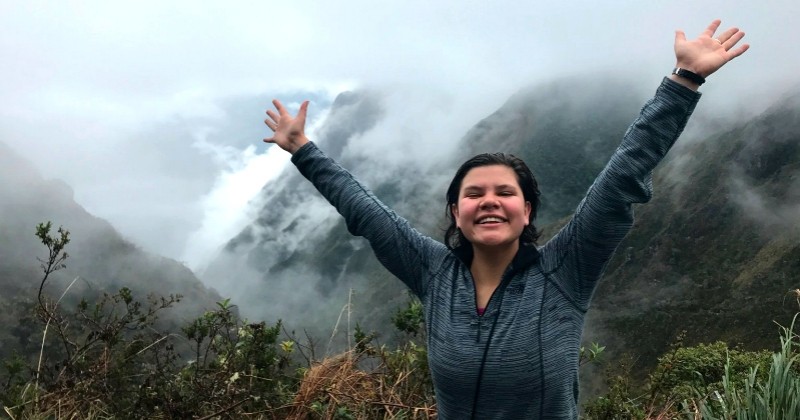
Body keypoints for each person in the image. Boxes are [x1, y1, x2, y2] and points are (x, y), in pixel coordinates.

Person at [262, 19, 748, 420]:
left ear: (528, 210)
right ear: (456, 211)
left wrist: (684, 81)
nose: (489, 201)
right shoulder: (431, 272)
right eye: (473, 193)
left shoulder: (565, 270)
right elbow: (365, 210)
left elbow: (623, 174)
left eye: (505, 192)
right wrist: (301, 149)